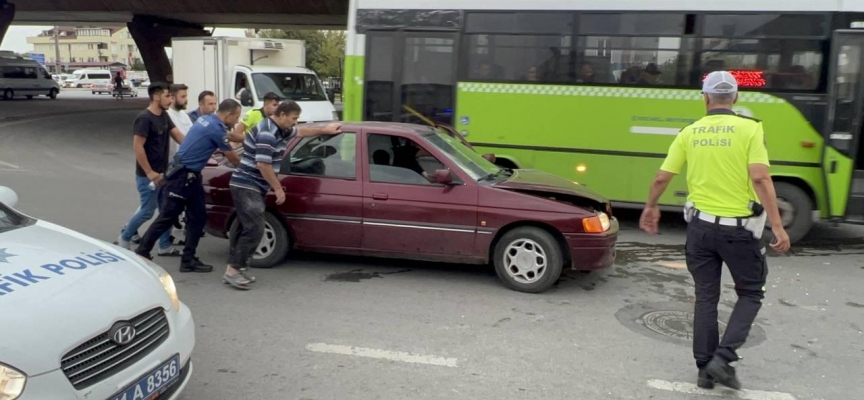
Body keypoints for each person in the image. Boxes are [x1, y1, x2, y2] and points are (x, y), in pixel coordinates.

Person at [639, 71, 791, 391]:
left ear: (705, 98)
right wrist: (777, 225)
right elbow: (761, 179)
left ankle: (704, 369)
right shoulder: (750, 128)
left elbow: (661, 177)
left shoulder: (690, 132)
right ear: (735, 98)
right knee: (750, 292)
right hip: (739, 232)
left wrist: (651, 206)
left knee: (706, 296)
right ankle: (723, 358)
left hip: (700, 229)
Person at [223, 101, 341, 290]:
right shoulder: (267, 133)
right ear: (283, 115)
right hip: (246, 184)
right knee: (255, 228)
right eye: (294, 118)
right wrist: (278, 188)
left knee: (246, 226)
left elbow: (301, 132)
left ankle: (234, 268)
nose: (295, 122)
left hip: (253, 185)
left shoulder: (282, 128)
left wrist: (325, 130)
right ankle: (234, 270)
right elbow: (263, 165)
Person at [134, 99, 243, 272]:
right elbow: (233, 158)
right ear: (228, 115)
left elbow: (229, 136)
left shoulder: (207, 119)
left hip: (191, 177)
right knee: (167, 217)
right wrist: (252, 171)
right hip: (181, 178)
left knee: (198, 218)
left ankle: (188, 260)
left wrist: (248, 138)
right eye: (236, 117)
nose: (237, 121)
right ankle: (141, 254)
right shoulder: (216, 128)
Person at [117, 83, 185, 254]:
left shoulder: (164, 116)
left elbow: (177, 135)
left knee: (166, 210)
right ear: (156, 97)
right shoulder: (144, 119)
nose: (171, 99)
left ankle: (164, 246)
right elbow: (138, 147)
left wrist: (196, 146)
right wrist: (149, 172)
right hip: (147, 176)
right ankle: (124, 238)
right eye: (168, 96)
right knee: (147, 211)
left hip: (163, 173)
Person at [166, 83, 195, 250]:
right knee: (156, 206)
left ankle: (173, 236)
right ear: (172, 97)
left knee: (176, 205)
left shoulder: (184, 116)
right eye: (183, 97)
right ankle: (129, 231)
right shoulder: (168, 116)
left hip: (184, 165)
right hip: (172, 166)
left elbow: (191, 138)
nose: (186, 100)